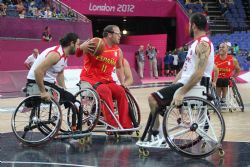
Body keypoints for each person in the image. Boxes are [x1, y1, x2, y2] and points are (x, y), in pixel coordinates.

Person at [137, 13, 214, 146]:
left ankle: (157, 134)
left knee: (152, 99)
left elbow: (199, 73)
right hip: (186, 84)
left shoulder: (203, 44)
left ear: (194, 26)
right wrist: (173, 85)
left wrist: (182, 91)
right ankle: (158, 132)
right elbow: (185, 69)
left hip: (194, 87)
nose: (188, 27)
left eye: (189, 25)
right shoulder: (196, 43)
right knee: (158, 99)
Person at [76, 25, 133, 129]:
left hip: (107, 80)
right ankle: (112, 125)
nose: (120, 36)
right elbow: (77, 53)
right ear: (109, 34)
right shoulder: (95, 43)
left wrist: (122, 82)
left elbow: (119, 67)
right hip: (90, 79)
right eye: (118, 33)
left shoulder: (118, 51)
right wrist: (81, 47)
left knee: (121, 91)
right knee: (105, 90)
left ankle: (126, 124)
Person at [27, 32, 79, 104]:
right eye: (77, 44)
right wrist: (43, 92)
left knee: (68, 97)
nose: (78, 47)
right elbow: (38, 71)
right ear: (72, 43)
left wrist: (64, 89)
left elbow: (60, 74)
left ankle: (57, 114)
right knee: (71, 99)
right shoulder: (56, 54)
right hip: (36, 81)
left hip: (48, 82)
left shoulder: (64, 55)